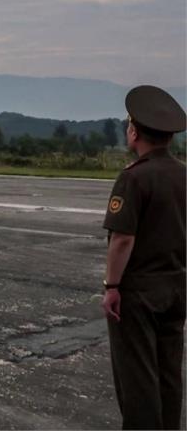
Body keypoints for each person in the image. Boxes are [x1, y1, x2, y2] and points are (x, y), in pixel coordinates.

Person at [101, 85, 186, 430]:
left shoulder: (134, 177)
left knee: (138, 377)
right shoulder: (184, 174)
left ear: (135, 131)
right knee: (168, 373)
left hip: (139, 292)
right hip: (177, 285)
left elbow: (122, 239)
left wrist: (112, 286)